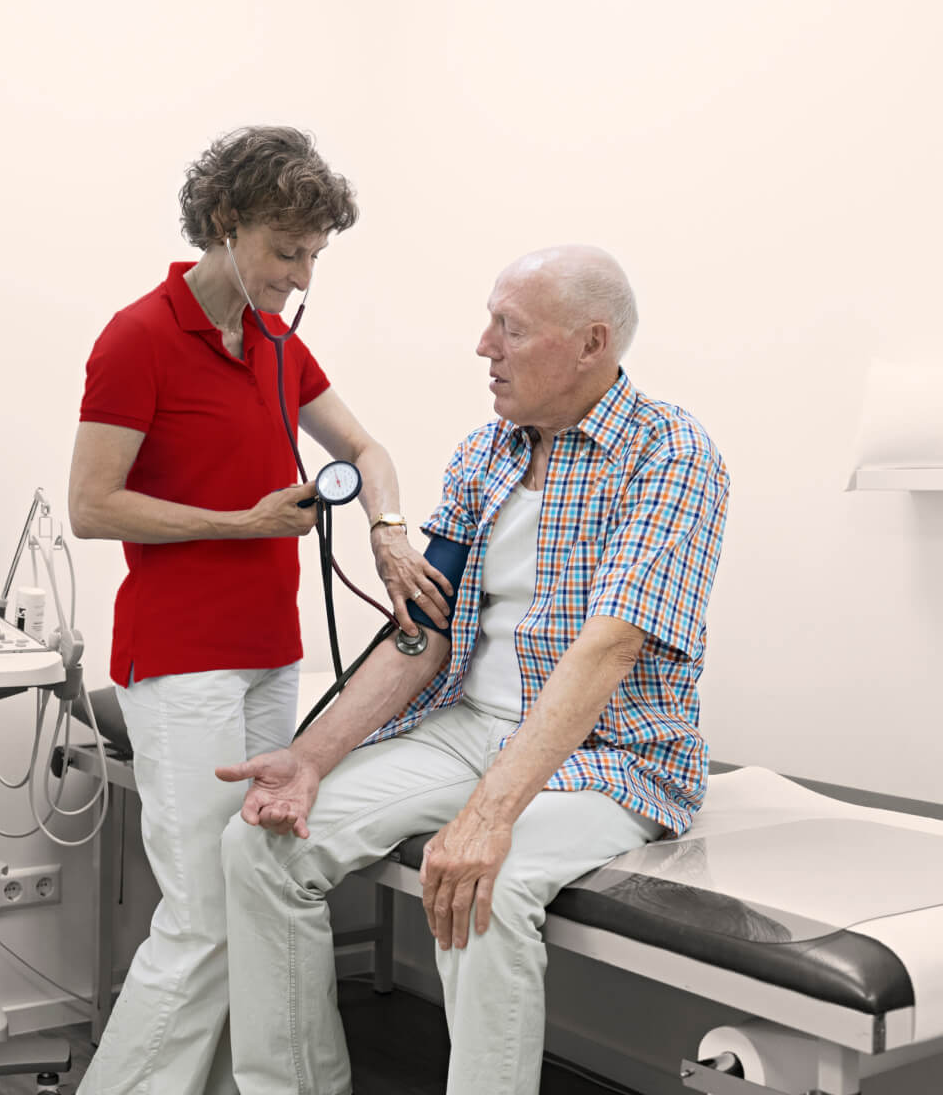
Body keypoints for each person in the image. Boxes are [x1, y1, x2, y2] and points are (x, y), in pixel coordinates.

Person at [217, 245, 730, 1095]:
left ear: (592, 343)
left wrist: (489, 818)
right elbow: (425, 630)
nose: (484, 346)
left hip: (610, 755)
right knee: (259, 845)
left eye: (511, 329)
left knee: (488, 882)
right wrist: (310, 759)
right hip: (467, 732)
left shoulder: (669, 454)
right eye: (491, 323)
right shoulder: (486, 452)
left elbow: (608, 648)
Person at [67, 126, 447, 1095]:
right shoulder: (139, 337)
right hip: (181, 656)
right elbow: (92, 504)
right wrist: (242, 524)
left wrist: (388, 530)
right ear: (226, 222)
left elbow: (366, 449)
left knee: (251, 900)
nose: (300, 274)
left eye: (314, 254)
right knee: (203, 917)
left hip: (273, 653)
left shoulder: (278, 343)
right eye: (287, 250)